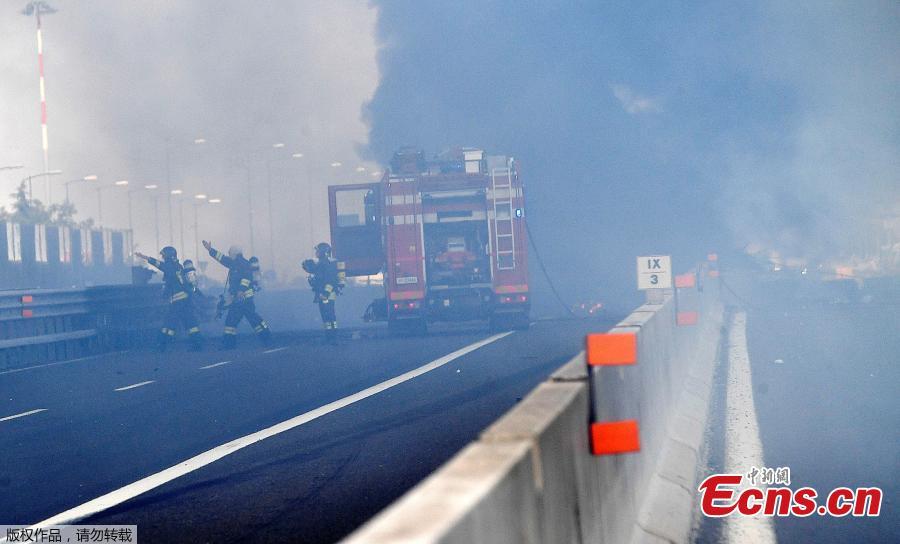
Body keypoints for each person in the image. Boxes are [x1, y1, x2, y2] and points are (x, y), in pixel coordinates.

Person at [202, 240, 271, 349]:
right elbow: (222, 258)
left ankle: (265, 339)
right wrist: (210, 250)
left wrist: (241, 290)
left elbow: (246, 277)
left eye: (230, 252)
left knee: (248, 320)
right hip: (239, 300)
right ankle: (231, 344)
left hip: (244, 299)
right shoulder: (234, 263)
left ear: (234, 253)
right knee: (235, 321)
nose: (228, 254)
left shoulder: (243, 264)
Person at [135, 246, 203, 351]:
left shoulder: (169, 266)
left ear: (169, 256)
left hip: (177, 301)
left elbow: (158, 264)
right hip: (185, 300)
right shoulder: (178, 266)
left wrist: (145, 257)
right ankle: (197, 344)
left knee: (168, 324)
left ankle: (161, 345)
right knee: (190, 323)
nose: (163, 257)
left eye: (164, 256)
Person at [302, 242, 345, 344]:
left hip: (326, 294)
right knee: (326, 315)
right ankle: (330, 336)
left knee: (328, 315)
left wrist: (325, 293)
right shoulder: (322, 263)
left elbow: (330, 280)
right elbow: (318, 276)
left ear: (324, 252)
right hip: (324, 293)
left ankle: (332, 337)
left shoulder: (326, 264)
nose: (316, 253)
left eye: (318, 251)